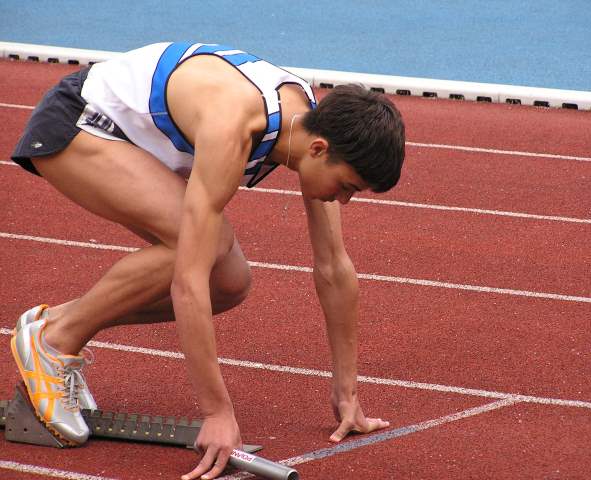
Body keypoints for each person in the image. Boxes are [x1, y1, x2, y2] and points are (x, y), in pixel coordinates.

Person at [10, 41, 405, 479]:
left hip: (133, 142)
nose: (344, 200)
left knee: (231, 282)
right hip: (79, 123)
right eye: (346, 185)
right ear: (317, 149)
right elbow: (187, 280)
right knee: (204, 248)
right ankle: (54, 341)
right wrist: (217, 412)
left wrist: (347, 392)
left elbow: (333, 267)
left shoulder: (314, 127)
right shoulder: (232, 124)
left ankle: (58, 325)